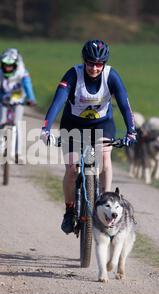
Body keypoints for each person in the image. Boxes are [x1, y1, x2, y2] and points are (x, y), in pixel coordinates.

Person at [40, 39, 137, 234]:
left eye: (99, 64)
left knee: (104, 158)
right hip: (73, 124)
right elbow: (57, 102)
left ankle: (105, 200)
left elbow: (125, 105)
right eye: (91, 63)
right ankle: (69, 211)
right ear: (84, 61)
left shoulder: (111, 76)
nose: (94, 68)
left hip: (102, 124)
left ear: (104, 63)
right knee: (72, 169)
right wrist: (46, 129)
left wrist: (131, 131)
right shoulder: (73, 75)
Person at [0, 48, 36, 163]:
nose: (7, 68)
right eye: (5, 65)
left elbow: (27, 86)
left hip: (18, 100)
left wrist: (31, 99)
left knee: (18, 124)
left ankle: (18, 153)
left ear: (16, 64)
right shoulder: (0, 72)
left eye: (10, 65)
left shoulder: (22, 72)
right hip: (3, 99)